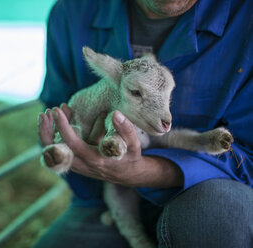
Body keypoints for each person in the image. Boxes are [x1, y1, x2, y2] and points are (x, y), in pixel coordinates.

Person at [35, 0, 253, 247]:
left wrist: (144, 172)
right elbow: (58, 112)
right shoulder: (72, 13)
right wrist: (64, 144)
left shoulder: (247, 20)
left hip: (205, 201)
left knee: (218, 209)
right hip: (102, 200)